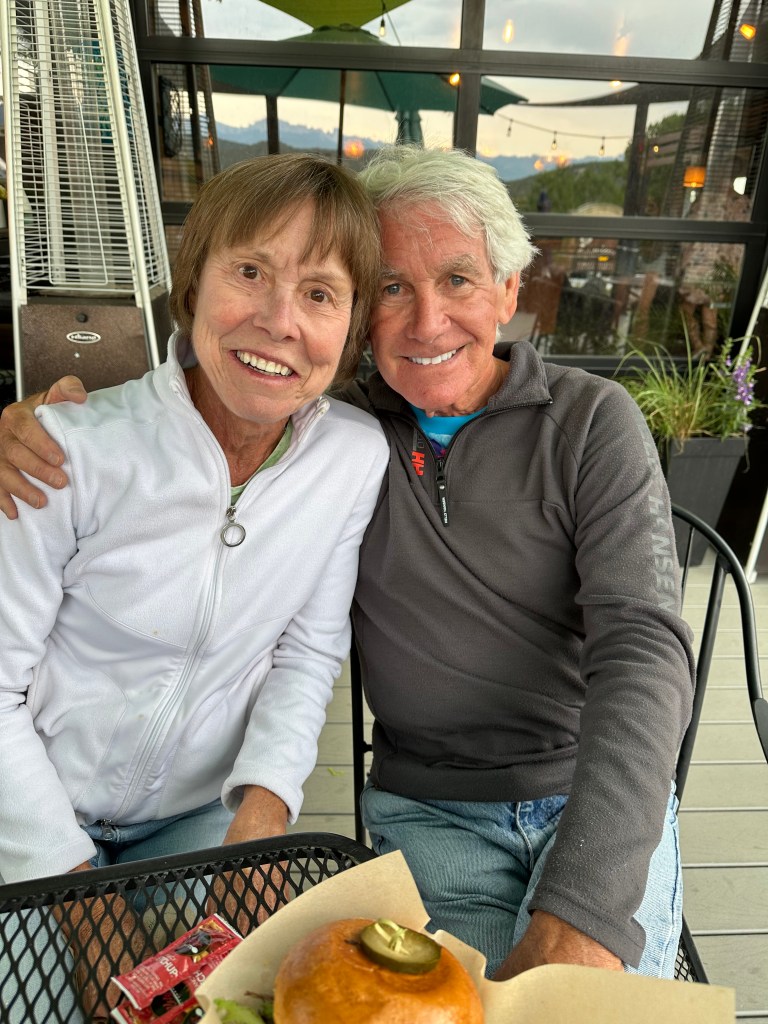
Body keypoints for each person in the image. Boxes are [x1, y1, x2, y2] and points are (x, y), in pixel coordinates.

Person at [0, 146, 694, 985]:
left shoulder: (583, 423)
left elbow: (645, 651)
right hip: (432, 807)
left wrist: (583, 906)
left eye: (460, 280)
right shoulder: (339, 430)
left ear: (510, 291)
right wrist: (35, 421)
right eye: (393, 287)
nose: (427, 323)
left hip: (590, 787)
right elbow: (202, 402)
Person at [0, 153, 388, 1018]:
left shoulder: (354, 458)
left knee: (249, 1003)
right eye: (250, 272)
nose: (280, 321)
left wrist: (264, 814)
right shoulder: (67, 449)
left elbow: (307, 652)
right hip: (28, 810)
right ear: (193, 283)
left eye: (320, 293)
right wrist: (82, 899)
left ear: (353, 327)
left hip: (201, 817)